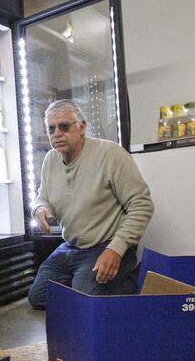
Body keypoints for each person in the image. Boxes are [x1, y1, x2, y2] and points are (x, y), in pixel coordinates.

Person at [28, 99, 154, 309]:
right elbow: (43, 196)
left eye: (64, 127)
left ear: (82, 127)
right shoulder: (51, 159)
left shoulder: (110, 154)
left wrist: (116, 249)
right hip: (70, 247)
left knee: (85, 302)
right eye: (51, 129)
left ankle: (131, 277)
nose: (56, 134)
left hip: (105, 245)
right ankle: (84, 287)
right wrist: (39, 208)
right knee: (38, 297)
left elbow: (142, 204)